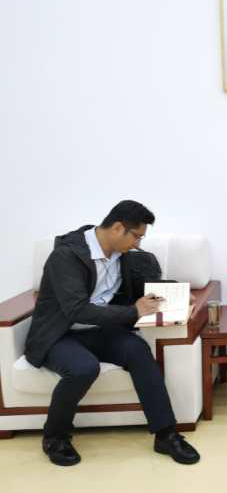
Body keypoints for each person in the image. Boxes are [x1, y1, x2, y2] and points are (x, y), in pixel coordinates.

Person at [25, 200, 201, 466]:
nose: (138, 244)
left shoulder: (123, 255)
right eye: (137, 236)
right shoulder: (66, 256)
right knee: (84, 368)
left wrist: (178, 292)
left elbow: (143, 286)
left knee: (139, 351)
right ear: (118, 228)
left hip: (101, 331)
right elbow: (77, 310)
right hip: (60, 334)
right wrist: (133, 311)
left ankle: (166, 435)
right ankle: (55, 437)